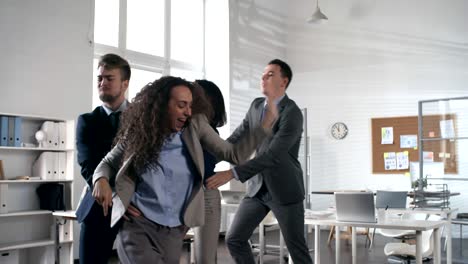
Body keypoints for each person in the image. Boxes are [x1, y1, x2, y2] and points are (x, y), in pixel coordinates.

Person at [91, 76, 276, 264]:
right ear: (162, 105)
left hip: (174, 227)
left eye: (190, 105)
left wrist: (264, 127)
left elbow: (233, 154)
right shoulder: (138, 132)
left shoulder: (195, 126)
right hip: (138, 224)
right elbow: (107, 164)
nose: (188, 112)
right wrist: (101, 181)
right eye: (181, 105)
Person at [206, 59, 313, 264]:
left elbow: (273, 155)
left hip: (285, 190)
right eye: (263, 74)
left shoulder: (292, 113)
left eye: (270, 74)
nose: (263, 77)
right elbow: (236, 139)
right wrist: (209, 159)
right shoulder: (256, 106)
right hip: (257, 189)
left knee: (297, 251)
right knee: (234, 239)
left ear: (284, 81)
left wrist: (232, 173)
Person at [75, 53, 131, 264]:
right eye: (99, 78)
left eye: (109, 78)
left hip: (135, 205)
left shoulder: (142, 120)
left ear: (124, 83)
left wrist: (126, 198)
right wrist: (106, 187)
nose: (102, 82)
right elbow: (88, 164)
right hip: (99, 205)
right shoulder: (87, 121)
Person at [193, 79, 227, 263]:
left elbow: (204, 165)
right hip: (184, 195)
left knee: (205, 258)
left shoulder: (210, 131)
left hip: (205, 195)